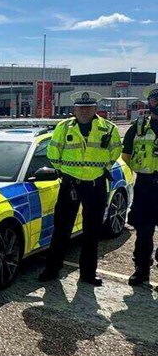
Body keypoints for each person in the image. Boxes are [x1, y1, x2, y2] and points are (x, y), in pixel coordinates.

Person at [39, 91, 122, 286]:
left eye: (88, 108)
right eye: (80, 108)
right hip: (70, 184)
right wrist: (67, 172)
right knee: (61, 229)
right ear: (74, 109)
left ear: (95, 109)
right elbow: (53, 153)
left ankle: (88, 274)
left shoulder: (108, 129)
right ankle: (52, 269)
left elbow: (115, 152)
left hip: (96, 184)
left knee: (92, 231)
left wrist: (98, 169)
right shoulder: (63, 127)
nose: (84, 111)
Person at [121, 84, 158, 286]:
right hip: (145, 186)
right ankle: (142, 268)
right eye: (155, 99)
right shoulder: (139, 126)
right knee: (144, 231)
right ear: (149, 102)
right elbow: (125, 156)